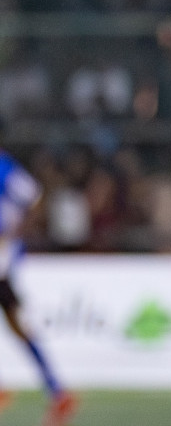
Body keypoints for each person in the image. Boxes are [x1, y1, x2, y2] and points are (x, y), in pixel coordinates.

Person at [0, 148, 76, 424]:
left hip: (3, 256)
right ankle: (57, 391)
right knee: (18, 324)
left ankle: (57, 391)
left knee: (19, 324)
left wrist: (12, 234)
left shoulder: (3, 167)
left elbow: (34, 198)